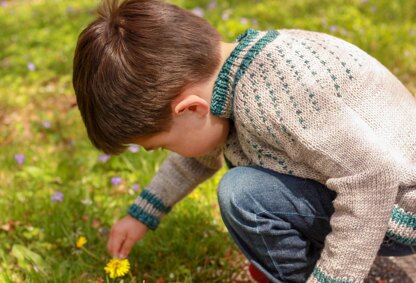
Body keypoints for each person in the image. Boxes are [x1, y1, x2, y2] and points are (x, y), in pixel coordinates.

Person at [72, 0, 416, 282]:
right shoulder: (233, 76)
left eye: (162, 144)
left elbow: (373, 179)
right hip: (380, 187)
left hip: (397, 211)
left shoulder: (280, 97)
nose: (169, 151)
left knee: (243, 195)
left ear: (191, 108)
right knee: (247, 189)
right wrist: (143, 213)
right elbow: (197, 154)